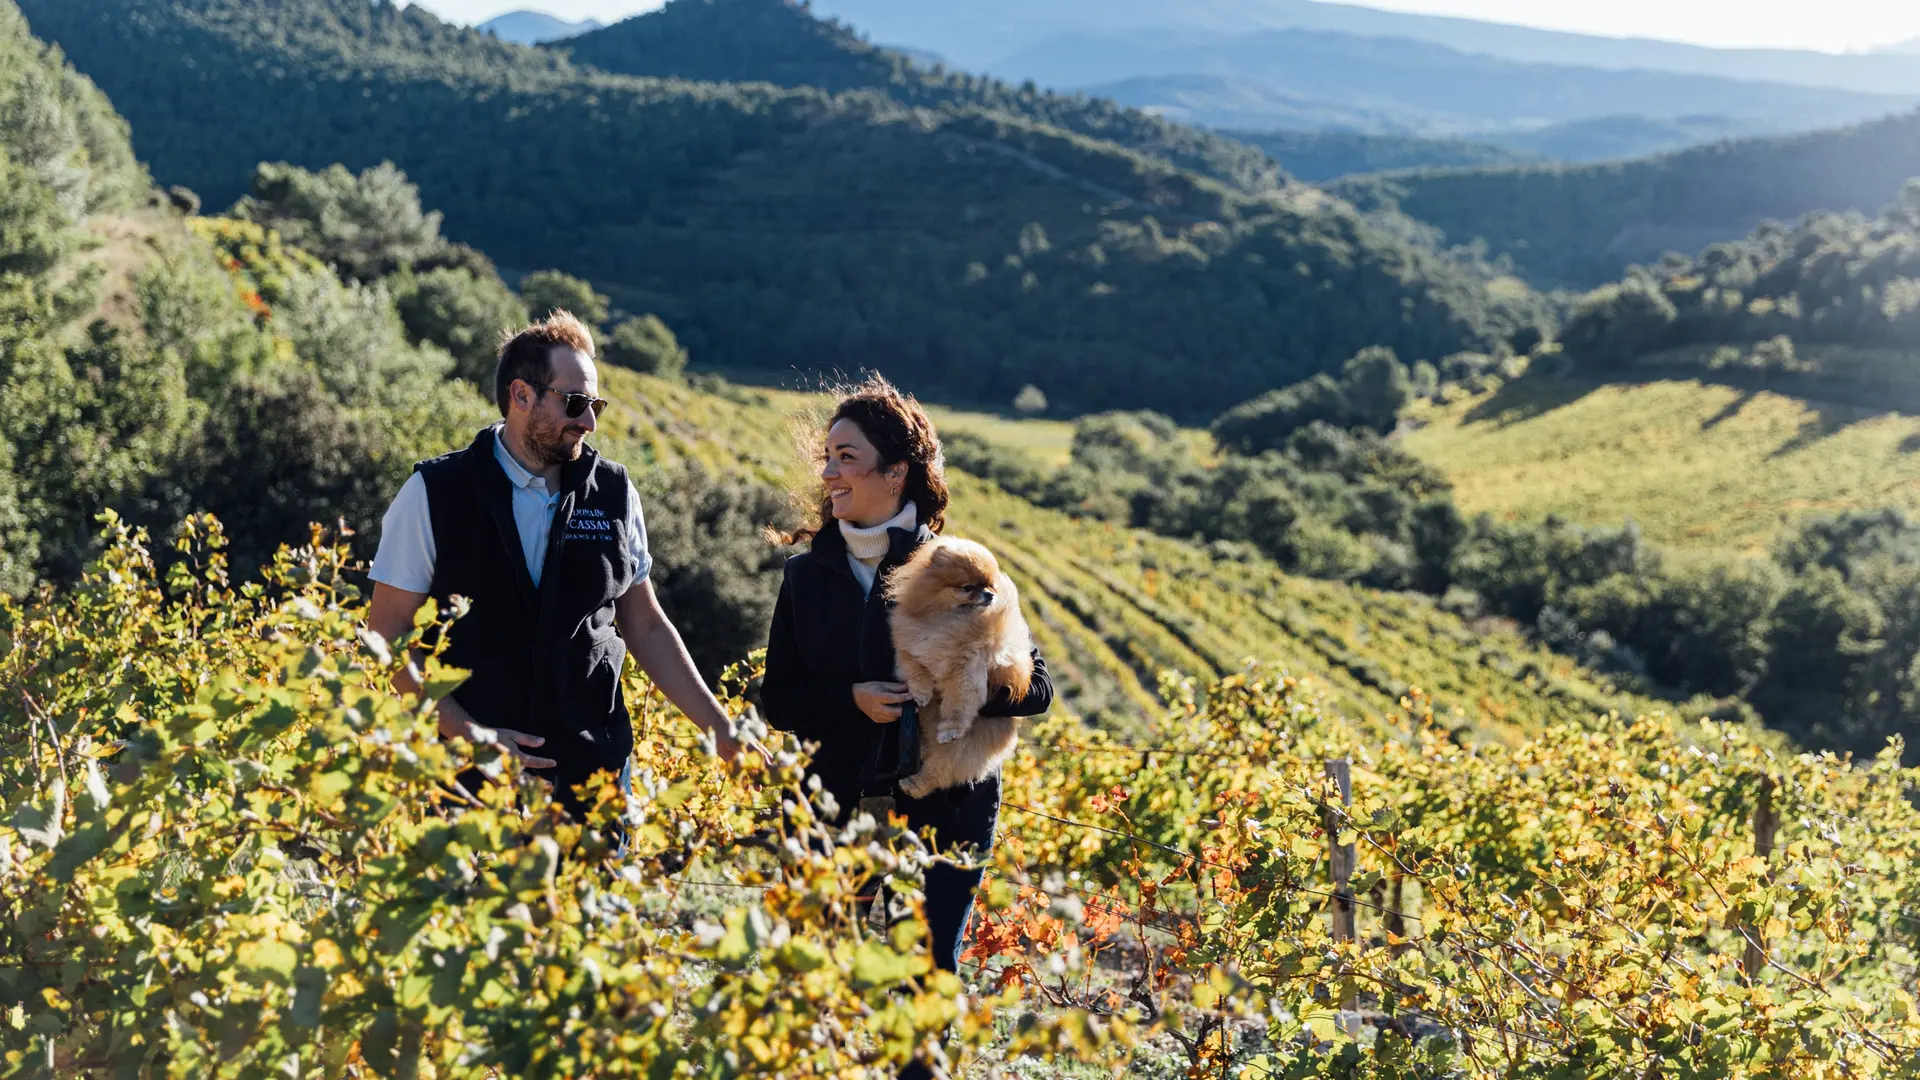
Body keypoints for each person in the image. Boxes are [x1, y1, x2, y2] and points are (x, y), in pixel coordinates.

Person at [366, 310, 738, 820]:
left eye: (596, 405)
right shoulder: (434, 493)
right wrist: (470, 735)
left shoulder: (613, 492)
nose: (589, 421)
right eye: (575, 403)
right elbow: (386, 637)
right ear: (521, 395)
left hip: (593, 781)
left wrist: (721, 729)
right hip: (466, 785)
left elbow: (646, 625)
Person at [761, 377, 1052, 1024]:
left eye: (847, 457)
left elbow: (1038, 692)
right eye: (828, 457)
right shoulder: (807, 577)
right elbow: (777, 700)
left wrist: (964, 682)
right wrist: (850, 701)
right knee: (820, 973)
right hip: (831, 799)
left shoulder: (957, 568)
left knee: (927, 977)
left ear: (895, 474)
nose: (830, 472)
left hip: (949, 808)